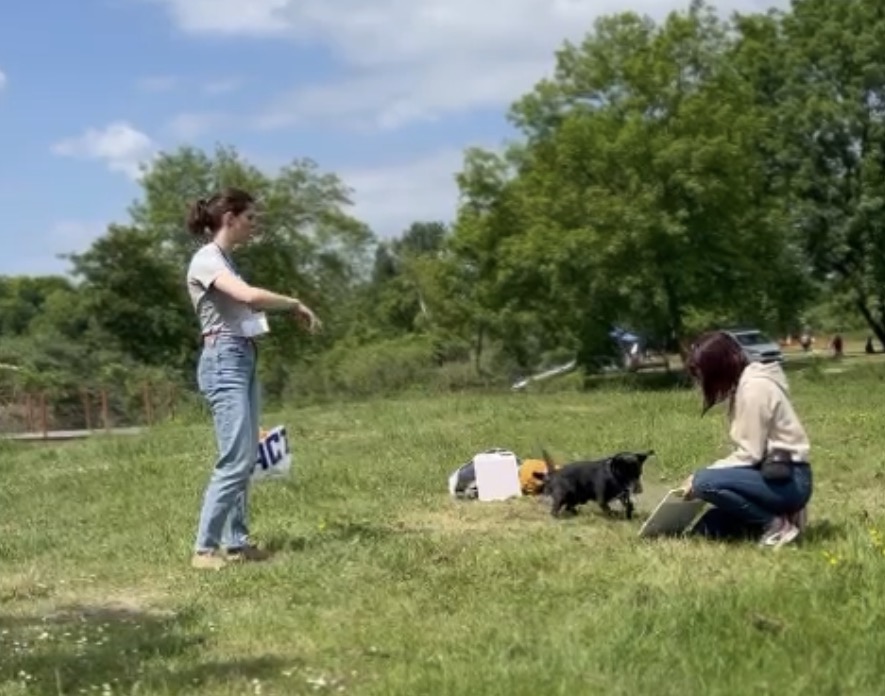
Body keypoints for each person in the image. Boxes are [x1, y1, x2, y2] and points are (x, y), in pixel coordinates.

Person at [185, 188, 321, 570]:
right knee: (236, 457)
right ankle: (203, 550)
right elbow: (248, 297)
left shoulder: (225, 260)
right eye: (250, 218)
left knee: (245, 454)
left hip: (241, 357)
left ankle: (237, 543)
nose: (254, 225)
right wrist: (293, 303)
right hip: (224, 360)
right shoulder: (207, 260)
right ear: (229, 218)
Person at [679, 331, 812, 548]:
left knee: (705, 482)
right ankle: (784, 516)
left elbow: (749, 454)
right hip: (773, 476)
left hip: (788, 479)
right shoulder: (749, 382)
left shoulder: (754, 389)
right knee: (708, 528)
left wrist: (698, 478)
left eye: (702, 375)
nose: (701, 382)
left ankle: (778, 526)